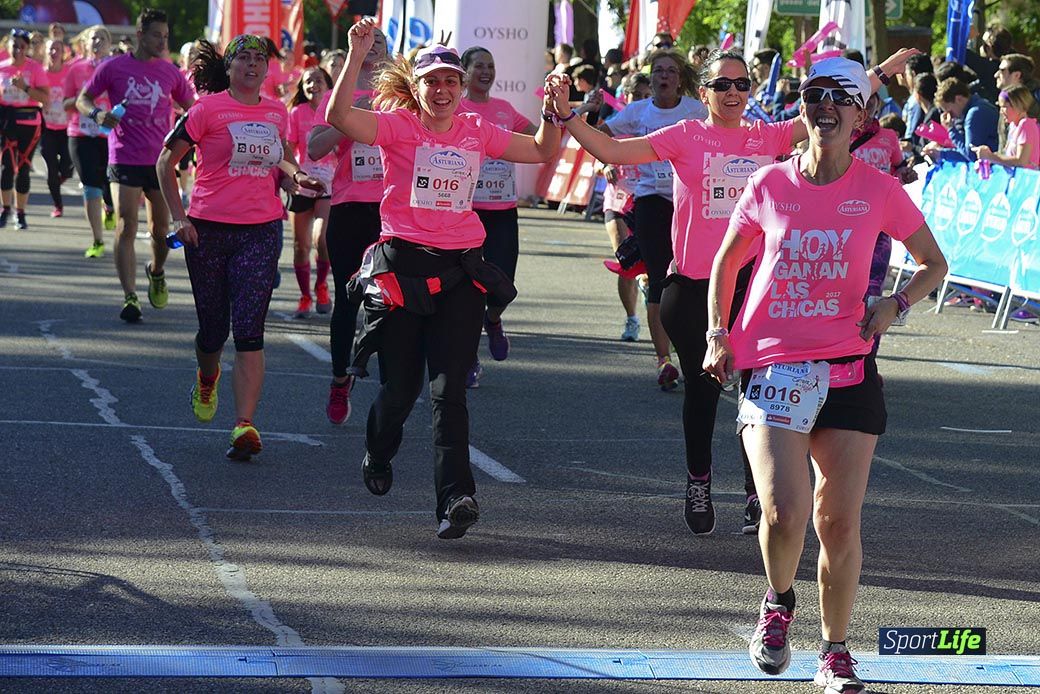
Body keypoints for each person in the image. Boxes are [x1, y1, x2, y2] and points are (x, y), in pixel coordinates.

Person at [547, 47, 920, 535]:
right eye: (722, 85)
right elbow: (614, 152)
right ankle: (699, 480)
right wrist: (568, 115)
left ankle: (755, 494)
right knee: (703, 392)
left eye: (742, 84)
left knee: (759, 393)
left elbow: (832, 102)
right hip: (694, 286)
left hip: (750, 286)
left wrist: (878, 74)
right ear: (703, 93)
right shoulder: (684, 135)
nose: (733, 93)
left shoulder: (765, 136)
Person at [702, 57, 947, 692]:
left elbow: (933, 263)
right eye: (815, 95)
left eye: (841, 97)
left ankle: (835, 652)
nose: (826, 106)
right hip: (775, 364)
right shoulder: (769, 183)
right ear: (803, 108)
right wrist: (717, 332)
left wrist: (895, 304)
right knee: (784, 514)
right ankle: (779, 600)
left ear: (861, 116)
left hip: (848, 367)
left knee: (837, 522)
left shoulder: (880, 190)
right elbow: (727, 262)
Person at [325, 19, 561, 539]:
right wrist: (356, 53)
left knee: (449, 391)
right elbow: (338, 117)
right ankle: (378, 450)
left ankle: (455, 498)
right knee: (400, 391)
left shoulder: (477, 129)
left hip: (459, 271)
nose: (443, 89)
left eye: (451, 80)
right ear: (416, 87)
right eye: (432, 81)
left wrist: (554, 111)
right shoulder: (398, 125)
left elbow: (542, 150)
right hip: (403, 270)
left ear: (461, 85)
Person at [157, 35, 325, 461]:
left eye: (258, 59)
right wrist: (179, 218)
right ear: (229, 67)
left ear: (266, 69)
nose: (252, 65)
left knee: (249, 329)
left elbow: (280, 160)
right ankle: (207, 377)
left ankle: (244, 424)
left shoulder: (275, 111)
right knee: (214, 330)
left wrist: (295, 178)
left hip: (260, 230)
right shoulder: (206, 110)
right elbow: (165, 162)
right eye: (244, 58)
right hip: (208, 231)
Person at [586, 47, 708, 391]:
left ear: (680, 79)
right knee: (659, 279)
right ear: (650, 79)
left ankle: (697, 354)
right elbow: (601, 136)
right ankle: (664, 360)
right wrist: (590, 116)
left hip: (692, 203)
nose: (664, 76)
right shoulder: (638, 111)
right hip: (652, 201)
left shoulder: (696, 110)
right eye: (658, 71)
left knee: (694, 278)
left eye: (670, 71)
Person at [77, 8, 194, 322]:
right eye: (156, 35)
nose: (162, 42)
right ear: (140, 35)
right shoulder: (114, 67)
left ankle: (156, 271)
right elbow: (83, 99)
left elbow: (193, 109)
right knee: (126, 224)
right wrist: (98, 115)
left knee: (160, 230)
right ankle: (130, 296)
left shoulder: (170, 72)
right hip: (124, 156)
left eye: (166, 36)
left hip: (160, 161)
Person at [308, 25, 388, 425]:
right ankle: (340, 380)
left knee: (394, 302)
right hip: (349, 208)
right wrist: (347, 117)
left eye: (380, 43)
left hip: (394, 213)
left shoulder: (401, 97)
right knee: (348, 298)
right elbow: (313, 148)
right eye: (366, 42)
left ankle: (393, 390)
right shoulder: (337, 95)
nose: (373, 48)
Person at [459, 45, 539, 387]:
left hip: (503, 211)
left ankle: (493, 319)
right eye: (479, 66)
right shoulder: (456, 108)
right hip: (466, 213)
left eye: (490, 66)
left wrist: (564, 115)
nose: (486, 72)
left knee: (504, 286)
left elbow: (537, 136)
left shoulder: (504, 109)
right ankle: (468, 359)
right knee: (467, 291)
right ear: (464, 72)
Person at [600, 72, 650, 342]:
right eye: (637, 95)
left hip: (646, 201)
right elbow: (596, 151)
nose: (642, 100)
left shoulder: (655, 123)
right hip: (617, 200)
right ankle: (632, 319)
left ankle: (646, 285)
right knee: (625, 260)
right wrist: (605, 165)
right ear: (626, 96)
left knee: (649, 265)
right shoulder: (616, 123)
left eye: (647, 96)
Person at [286, 66, 336, 318]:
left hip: (329, 184)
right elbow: (288, 147)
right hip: (302, 184)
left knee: (321, 240)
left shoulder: (336, 111)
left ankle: (322, 285)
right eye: (307, 81)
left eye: (318, 80)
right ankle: (305, 296)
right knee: (300, 246)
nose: (312, 85)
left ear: (328, 86)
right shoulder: (297, 113)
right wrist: (292, 176)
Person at [64, 25, 116, 258]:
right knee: (90, 185)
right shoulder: (75, 69)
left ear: (109, 44)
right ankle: (97, 240)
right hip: (80, 134)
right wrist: (84, 99)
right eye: (93, 38)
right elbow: (65, 103)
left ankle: (110, 208)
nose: (97, 42)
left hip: (110, 135)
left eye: (102, 38)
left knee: (109, 184)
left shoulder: (115, 68)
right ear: (85, 43)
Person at [0, 29, 49, 230]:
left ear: (27, 48)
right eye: (14, 46)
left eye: (22, 46)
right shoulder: (2, 67)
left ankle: (20, 213)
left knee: (23, 169)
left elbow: (45, 98)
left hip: (29, 122)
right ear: (8, 46)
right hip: (6, 122)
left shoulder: (35, 68)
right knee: (6, 168)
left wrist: (25, 88)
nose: (18, 50)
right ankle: (5, 209)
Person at [925, 77, 998, 163]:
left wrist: (951, 129)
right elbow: (967, 153)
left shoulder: (974, 114)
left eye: (950, 111)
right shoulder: (979, 105)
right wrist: (941, 153)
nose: (950, 116)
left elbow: (972, 155)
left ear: (958, 99)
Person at [41, 38, 73, 218]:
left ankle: (57, 181)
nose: (54, 53)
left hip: (67, 129)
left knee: (67, 168)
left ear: (63, 53)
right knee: (52, 170)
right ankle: (58, 205)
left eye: (57, 49)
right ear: (45, 52)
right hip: (47, 128)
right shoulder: (41, 73)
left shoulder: (69, 72)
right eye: (51, 49)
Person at [974, 85, 1039, 168]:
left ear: (1018, 106)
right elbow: (1008, 157)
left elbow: (1021, 161)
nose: (1001, 111)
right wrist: (987, 158)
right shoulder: (1013, 126)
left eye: (1004, 107)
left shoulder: (1026, 124)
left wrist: (990, 157)